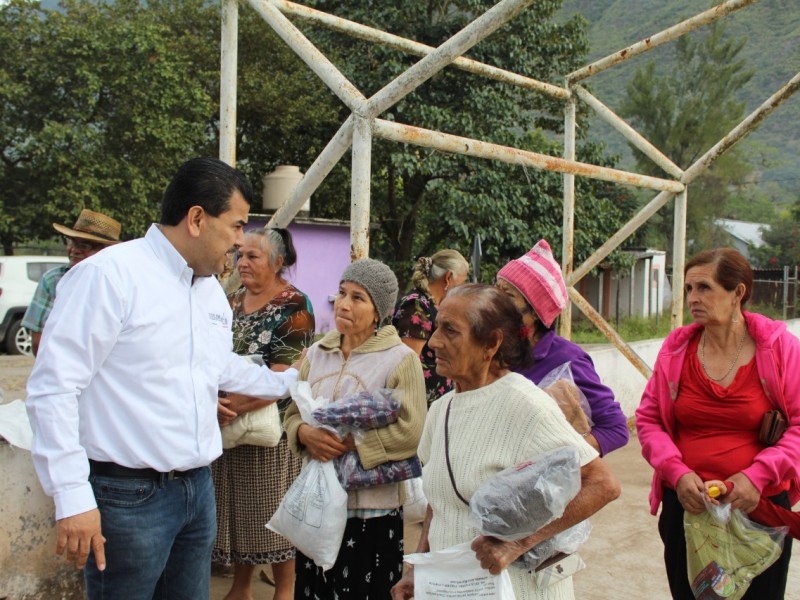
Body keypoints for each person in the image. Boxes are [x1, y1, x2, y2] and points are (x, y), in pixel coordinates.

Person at [25, 157, 302, 600]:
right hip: (128, 498)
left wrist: (294, 384)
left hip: (197, 490)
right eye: (235, 226)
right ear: (196, 218)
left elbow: (219, 366)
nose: (238, 241)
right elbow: (53, 388)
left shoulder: (208, 290)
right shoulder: (109, 277)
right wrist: (72, 496)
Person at [391, 284, 621, 600]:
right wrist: (418, 569)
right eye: (436, 328)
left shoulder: (525, 404)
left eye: (451, 331)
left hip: (518, 589)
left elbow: (602, 484)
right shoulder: (442, 409)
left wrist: (516, 543)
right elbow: (439, 502)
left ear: (491, 343)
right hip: (454, 588)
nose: (434, 342)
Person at [636, 247, 800, 599]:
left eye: (704, 288)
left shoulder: (779, 349)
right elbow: (649, 421)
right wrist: (676, 474)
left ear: (738, 292)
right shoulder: (676, 350)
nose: (693, 298)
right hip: (689, 508)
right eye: (689, 289)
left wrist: (755, 477)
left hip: (758, 509)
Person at [283, 258, 426, 599]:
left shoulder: (400, 359)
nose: (344, 304)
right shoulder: (318, 353)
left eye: (358, 297)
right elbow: (291, 413)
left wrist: (353, 444)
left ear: (379, 311)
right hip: (317, 507)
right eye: (342, 293)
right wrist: (304, 435)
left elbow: (412, 431)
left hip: (371, 512)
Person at [212, 227, 315, 600]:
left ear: (278, 262)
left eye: (252, 256)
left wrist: (232, 408)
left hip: (270, 430)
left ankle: (284, 591)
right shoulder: (232, 300)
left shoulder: (294, 306)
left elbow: (284, 373)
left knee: (273, 514)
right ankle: (241, 588)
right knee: (242, 512)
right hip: (229, 424)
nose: (242, 263)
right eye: (240, 255)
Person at [496, 239, 629, 455]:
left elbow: (616, 429)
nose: (495, 301)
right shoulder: (493, 351)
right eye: (497, 290)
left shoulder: (568, 359)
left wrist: (552, 459)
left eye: (508, 295)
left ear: (535, 313)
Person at [21, 209, 122, 355]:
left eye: (85, 246)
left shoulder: (118, 283)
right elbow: (38, 340)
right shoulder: (53, 280)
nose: (74, 250)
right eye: (72, 242)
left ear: (106, 251)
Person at [392, 250, 470, 405]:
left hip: (434, 403)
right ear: (448, 278)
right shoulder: (417, 305)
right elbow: (408, 363)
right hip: (417, 405)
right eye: (461, 284)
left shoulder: (433, 305)